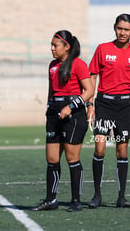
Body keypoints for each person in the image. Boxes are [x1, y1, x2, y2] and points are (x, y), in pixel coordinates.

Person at [86, 13, 130, 208]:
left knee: (122, 151)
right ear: (114, 27)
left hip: (123, 106)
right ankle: (97, 195)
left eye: (126, 29)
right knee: (100, 148)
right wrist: (90, 104)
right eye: (119, 28)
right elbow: (92, 77)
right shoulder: (102, 49)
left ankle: (121, 197)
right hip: (103, 104)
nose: (122, 32)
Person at [31, 30, 94, 212]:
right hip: (54, 113)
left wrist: (71, 106)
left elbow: (89, 90)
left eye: (55, 45)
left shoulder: (78, 64)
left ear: (67, 47)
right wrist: (49, 107)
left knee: (72, 158)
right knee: (51, 159)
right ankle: (51, 200)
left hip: (73, 114)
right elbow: (52, 90)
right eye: (51, 45)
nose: (52, 48)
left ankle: (76, 200)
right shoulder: (52, 65)